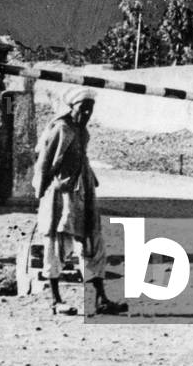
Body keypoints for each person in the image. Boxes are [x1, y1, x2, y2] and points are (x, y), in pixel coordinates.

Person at [33, 87, 127, 316]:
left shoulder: (82, 132)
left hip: (83, 194)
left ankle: (101, 299)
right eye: (83, 108)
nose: (86, 113)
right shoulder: (60, 129)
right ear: (71, 107)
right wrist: (41, 193)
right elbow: (44, 162)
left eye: (90, 109)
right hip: (61, 196)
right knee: (56, 243)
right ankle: (55, 300)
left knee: (92, 242)